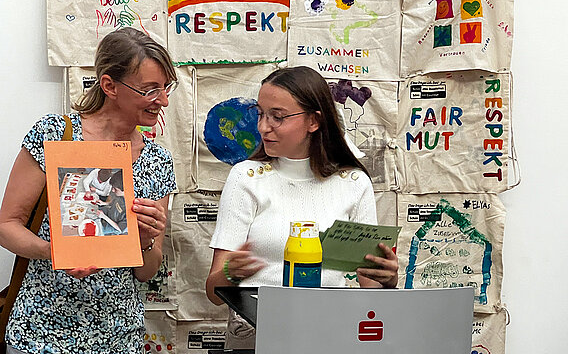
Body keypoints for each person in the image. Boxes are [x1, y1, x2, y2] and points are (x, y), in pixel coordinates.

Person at [0, 27, 178, 354]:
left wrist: (147, 240)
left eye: (166, 88)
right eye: (150, 90)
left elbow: (147, 272)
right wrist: (52, 250)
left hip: (119, 336)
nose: (163, 101)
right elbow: (7, 225)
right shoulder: (56, 134)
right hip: (42, 332)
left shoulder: (157, 160)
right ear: (110, 85)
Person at [205, 66, 399, 349]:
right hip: (256, 339)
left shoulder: (354, 183)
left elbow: (370, 290)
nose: (263, 127)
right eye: (260, 114)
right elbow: (213, 291)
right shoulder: (246, 176)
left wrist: (387, 279)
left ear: (314, 121)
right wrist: (231, 273)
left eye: (278, 117)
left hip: (330, 337)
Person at [97, 170, 127, 236]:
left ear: (125, 191)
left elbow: (119, 228)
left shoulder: (129, 208)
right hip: (110, 213)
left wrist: (104, 217)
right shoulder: (119, 195)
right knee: (93, 211)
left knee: (98, 230)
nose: (113, 191)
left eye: (115, 189)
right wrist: (104, 203)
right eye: (112, 187)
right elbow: (114, 202)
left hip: (114, 226)